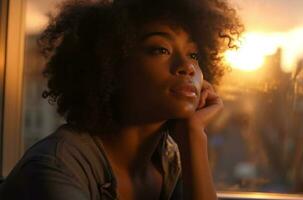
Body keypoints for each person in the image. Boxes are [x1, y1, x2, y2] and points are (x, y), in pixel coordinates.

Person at [0, 0, 243, 199]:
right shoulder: (54, 167)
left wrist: (194, 138)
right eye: (160, 49)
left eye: (193, 54)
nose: (187, 67)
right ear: (111, 66)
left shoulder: (168, 159)